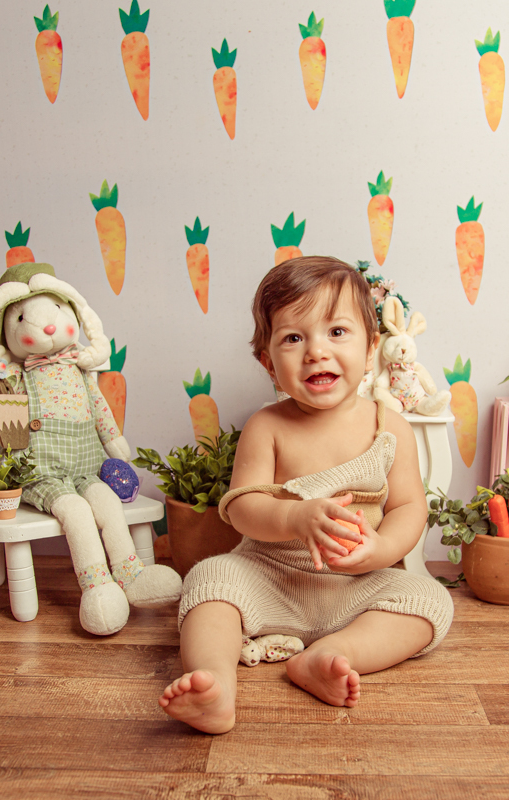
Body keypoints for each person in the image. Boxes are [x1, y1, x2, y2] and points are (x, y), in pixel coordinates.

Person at [158, 256, 454, 734]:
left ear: (372, 345)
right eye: (294, 338)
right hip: (269, 576)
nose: (316, 352)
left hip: (358, 585)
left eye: (337, 332)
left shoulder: (388, 425)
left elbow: (408, 507)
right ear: (267, 362)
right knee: (210, 581)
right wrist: (295, 519)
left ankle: (332, 655)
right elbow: (242, 507)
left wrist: (380, 550)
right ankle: (213, 684)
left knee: (429, 600)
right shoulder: (268, 426)